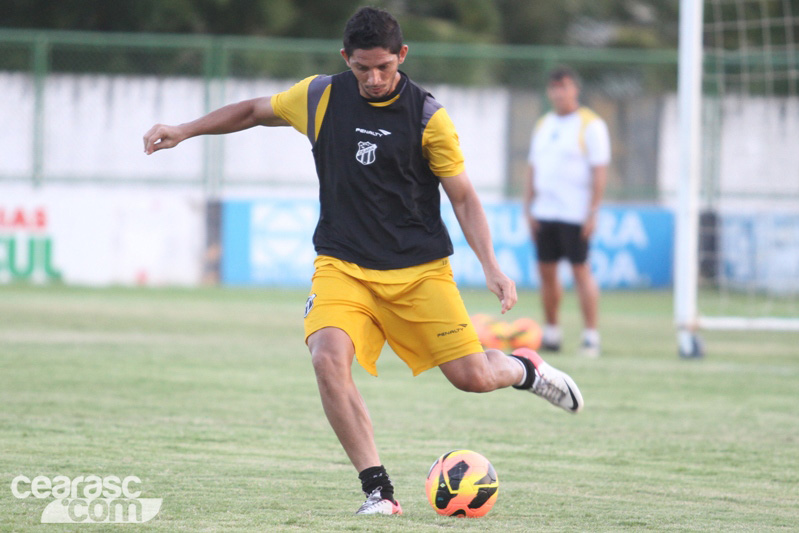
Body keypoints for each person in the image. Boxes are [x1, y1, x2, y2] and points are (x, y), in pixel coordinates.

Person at [144, 7, 583, 516]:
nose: (374, 79)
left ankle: (525, 369)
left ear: (402, 56)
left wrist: (491, 266)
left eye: (383, 67)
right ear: (345, 59)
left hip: (419, 272)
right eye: (362, 68)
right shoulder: (320, 96)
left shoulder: (428, 117)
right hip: (343, 265)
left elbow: (463, 197)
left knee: (474, 377)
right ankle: (378, 492)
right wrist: (184, 129)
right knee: (327, 357)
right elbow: (252, 110)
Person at [523, 66, 611, 358]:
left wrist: (593, 211)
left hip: (575, 213)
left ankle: (590, 336)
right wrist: (528, 207)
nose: (559, 92)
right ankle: (552, 332)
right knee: (546, 272)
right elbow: (533, 168)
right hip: (545, 211)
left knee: (580, 270)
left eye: (564, 86)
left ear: (575, 89)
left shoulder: (590, 125)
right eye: (554, 87)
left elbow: (600, 171)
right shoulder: (544, 124)